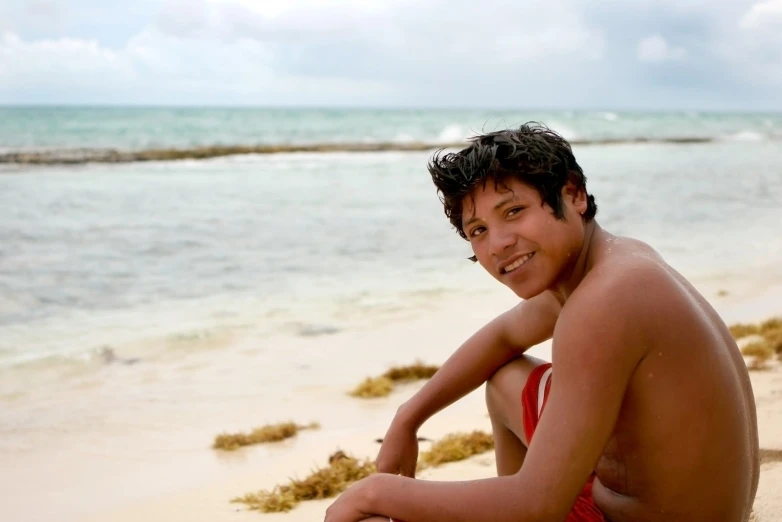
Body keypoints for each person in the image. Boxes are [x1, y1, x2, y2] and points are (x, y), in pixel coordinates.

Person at [324, 123, 759, 522]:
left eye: (513, 212)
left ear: (574, 195)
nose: (498, 244)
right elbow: (504, 335)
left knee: (367, 517)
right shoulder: (617, 263)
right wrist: (409, 417)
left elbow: (536, 504)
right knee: (505, 380)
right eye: (477, 230)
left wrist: (375, 492)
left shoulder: (606, 302)